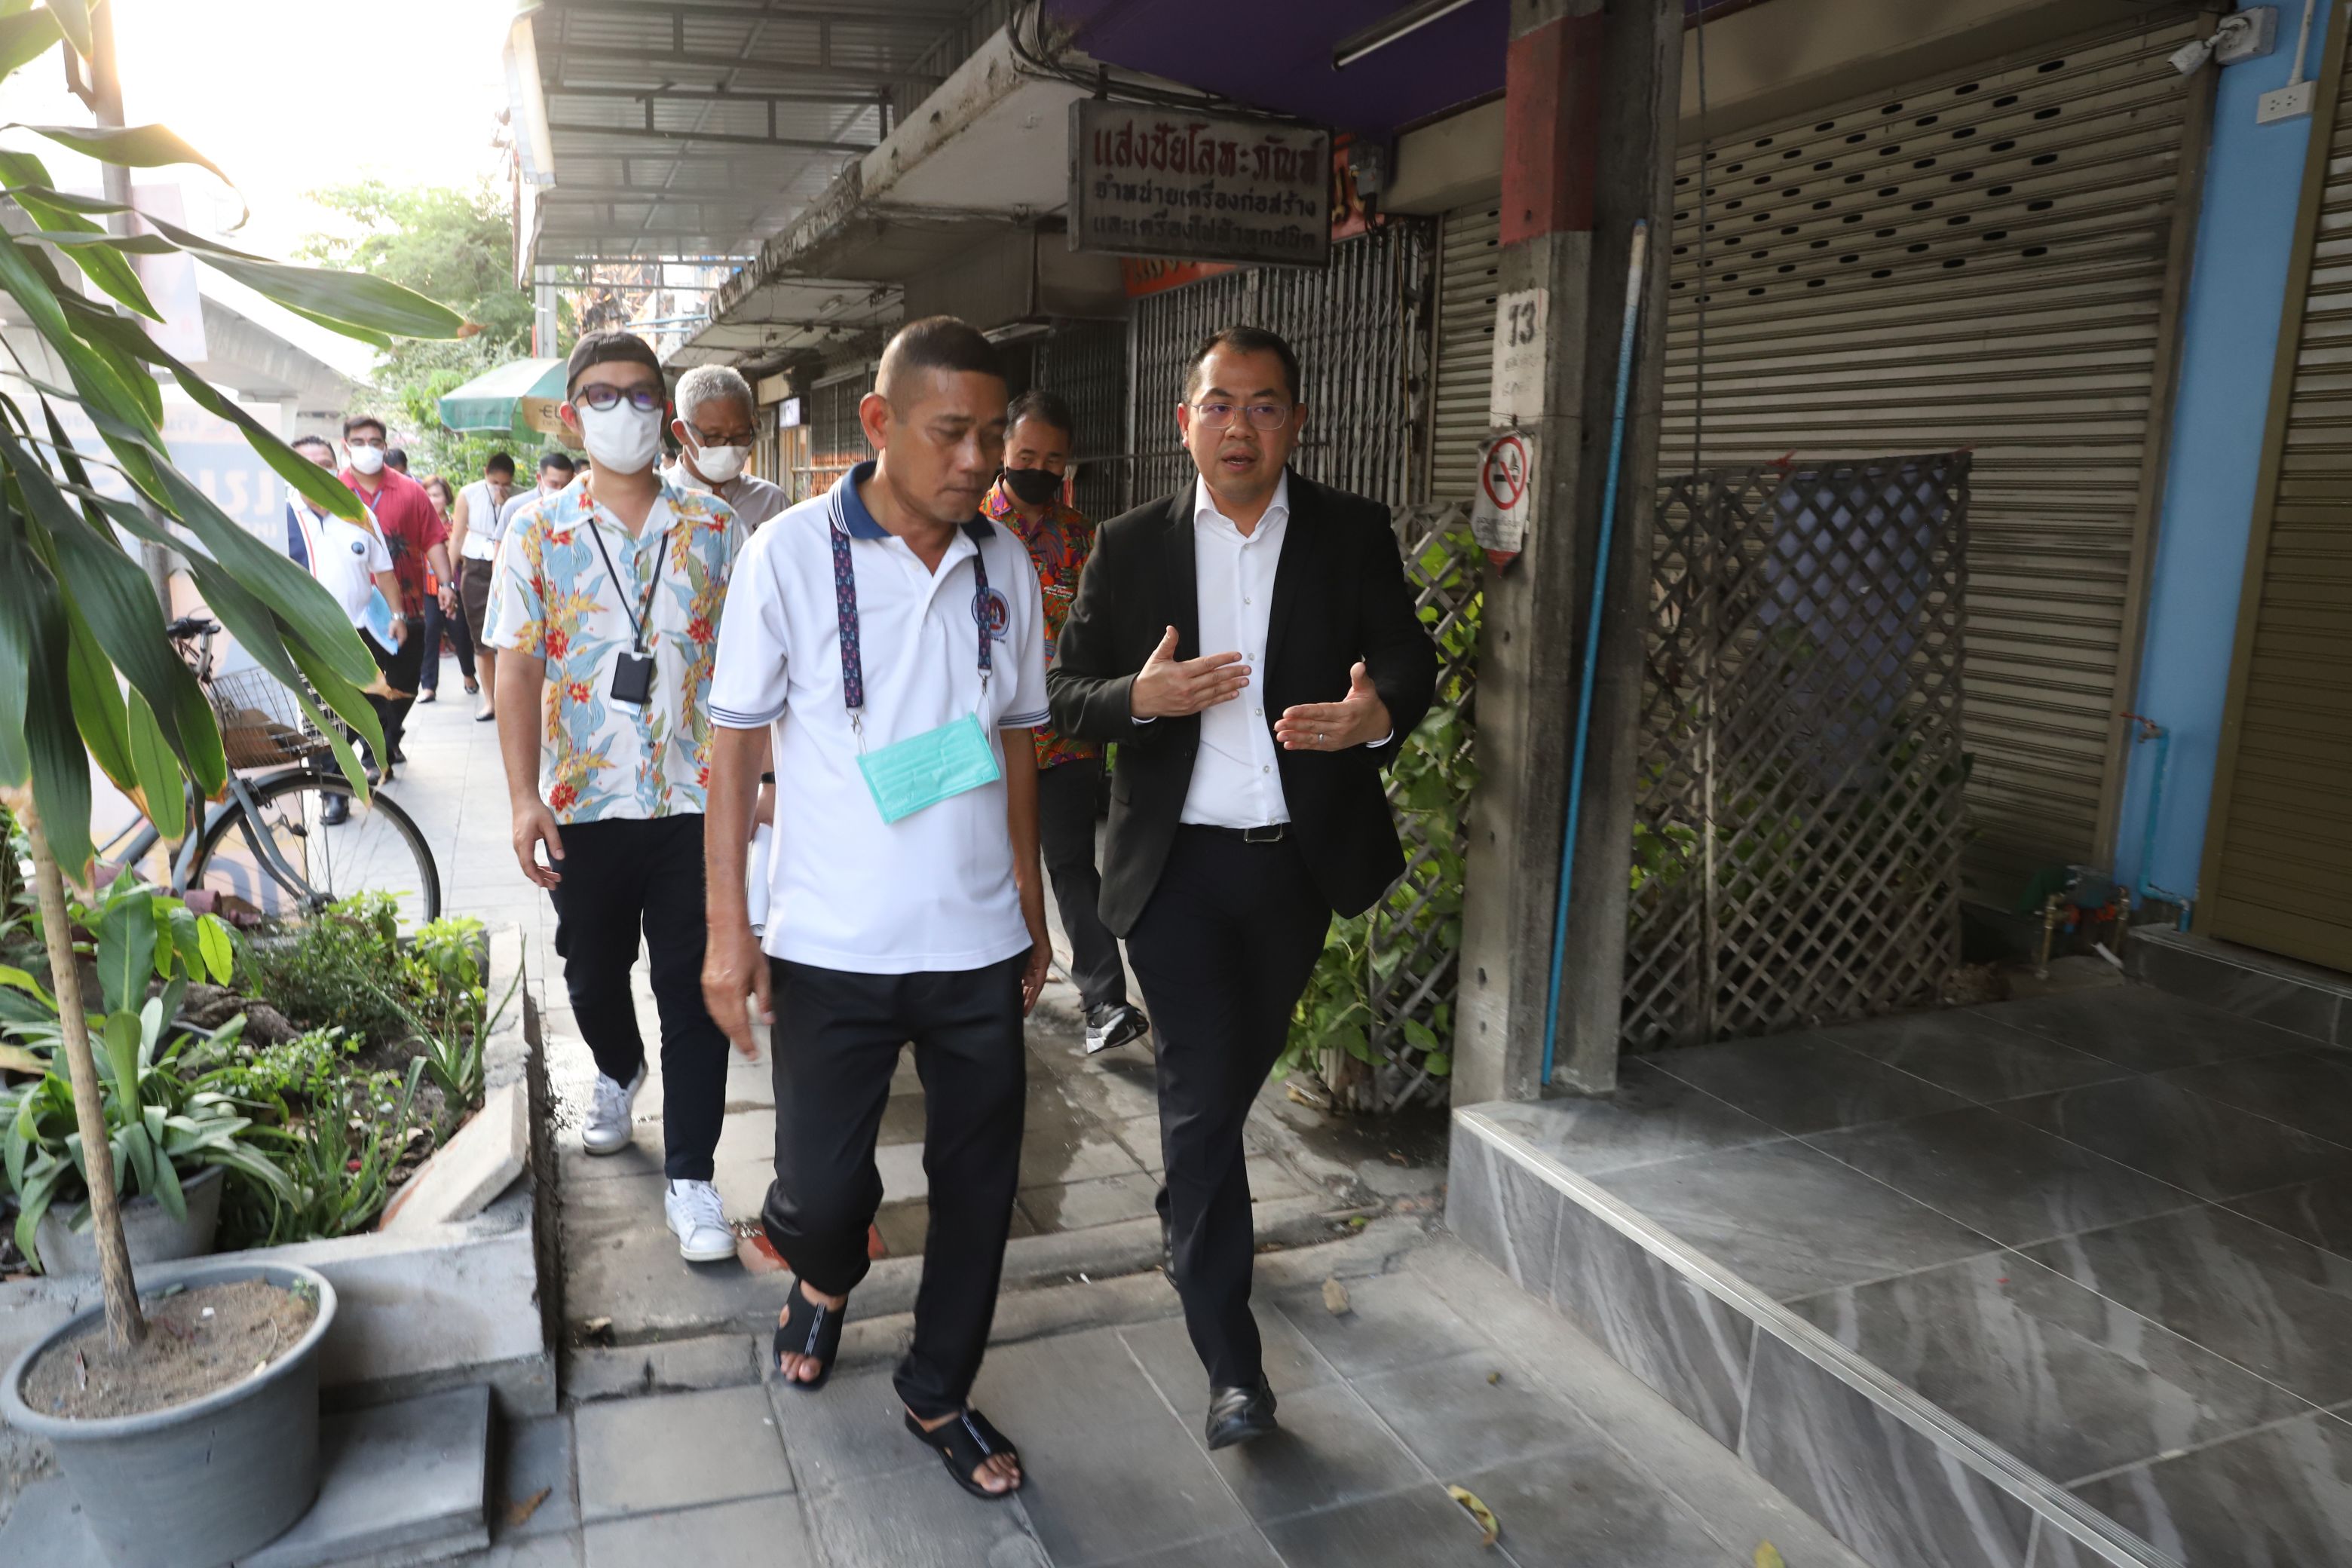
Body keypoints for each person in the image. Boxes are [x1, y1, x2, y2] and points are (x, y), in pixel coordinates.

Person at [1048, 326, 1437, 1450]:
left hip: (1294, 868)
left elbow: (1408, 660)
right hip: (1175, 869)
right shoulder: (1132, 547)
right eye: (1219, 405)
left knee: (1224, 1082)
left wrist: (1374, 716)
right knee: (1199, 1093)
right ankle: (1232, 1367)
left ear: (1295, 423)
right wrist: (1142, 698)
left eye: (1264, 406)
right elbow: (1064, 693)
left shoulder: (1351, 533)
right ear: (1186, 423)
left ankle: (1189, 1200)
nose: (1239, 427)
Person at [702, 317, 1049, 1502]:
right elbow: (734, 749)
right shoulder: (788, 555)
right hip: (829, 944)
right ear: (878, 423)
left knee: (978, 1189)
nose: (977, 461)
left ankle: (937, 1388)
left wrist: (1032, 903)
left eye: (992, 435)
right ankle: (822, 1273)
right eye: (950, 432)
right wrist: (729, 932)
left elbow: (1017, 740)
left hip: (975, 943)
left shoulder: (1006, 565)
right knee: (824, 1192)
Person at [487, 331, 749, 1268]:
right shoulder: (536, 530)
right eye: (602, 395)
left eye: (641, 395)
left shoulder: (716, 528)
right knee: (592, 974)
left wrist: (759, 786)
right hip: (584, 801)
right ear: (571, 415)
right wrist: (523, 796)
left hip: (693, 801)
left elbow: (748, 670)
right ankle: (617, 1065)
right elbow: (516, 667)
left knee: (693, 988)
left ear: (665, 413)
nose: (624, 411)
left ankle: (692, 1177)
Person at [984, 389, 1149, 1056]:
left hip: (1065, 736)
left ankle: (1105, 1000)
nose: (1039, 470)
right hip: (982, 738)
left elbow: (1109, 632)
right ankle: (985, 987)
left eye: (1053, 460)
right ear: (1002, 449)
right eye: (1027, 456)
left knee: (1072, 864)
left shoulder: (1085, 539)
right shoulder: (966, 527)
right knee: (987, 862)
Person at [283, 436, 405, 827]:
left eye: (325, 463)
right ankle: (333, 794)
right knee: (321, 721)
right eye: (307, 464)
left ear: (337, 468)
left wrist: (398, 614)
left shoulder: (358, 514)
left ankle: (374, 758)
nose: (318, 471)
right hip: (307, 640)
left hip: (360, 635)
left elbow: (383, 571)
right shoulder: (280, 518)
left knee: (372, 706)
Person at [339, 415, 455, 776]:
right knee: (367, 683)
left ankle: (389, 736)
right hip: (355, 609)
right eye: (359, 441)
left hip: (407, 606)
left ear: (385, 446)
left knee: (406, 681)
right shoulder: (333, 492)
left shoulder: (411, 491)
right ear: (346, 446)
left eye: (375, 442)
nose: (367, 448)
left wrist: (447, 584)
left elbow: (433, 539)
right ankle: (376, 750)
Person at [665, 365, 790, 531]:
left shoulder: (772, 502)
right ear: (681, 432)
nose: (729, 447)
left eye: (740, 435)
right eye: (714, 436)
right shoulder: (655, 501)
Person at [450, 452, 516, 723]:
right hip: (476, 566)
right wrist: (448, 582)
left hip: (508, 564)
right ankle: (491, 702)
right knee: (481, 639)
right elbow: (457, 537)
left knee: (512, 639)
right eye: (495, 482)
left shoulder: (519, 497)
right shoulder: (469, 494)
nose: (500, 488)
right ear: (486, 473)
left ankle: (512, 700)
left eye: (505, 483)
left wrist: (505, 502)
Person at [415, 475, 479, 707]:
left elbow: (465, 555)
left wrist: (449, 548)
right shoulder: (418, 524)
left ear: (447, 498)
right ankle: (428, 686)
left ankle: (469, 674)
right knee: (429, 633)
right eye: (429, 495)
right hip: (427, 589)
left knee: (460, 633)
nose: (433, 500)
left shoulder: (456, 526)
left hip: (454, 589)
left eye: (437, 495)